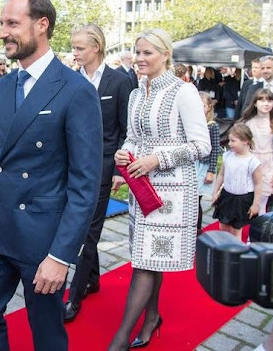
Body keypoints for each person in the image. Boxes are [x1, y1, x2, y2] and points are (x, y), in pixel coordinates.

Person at [0, 0, 103, 350]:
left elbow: (85, 185)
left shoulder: (75, 90)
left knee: (46, 333)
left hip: (43, 238)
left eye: (12, 23)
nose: (3, 32)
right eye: (2, 23)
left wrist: (61, 255)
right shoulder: (4, 85)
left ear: (41, 25)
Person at [109, 28, 211, 350]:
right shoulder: (137, 93)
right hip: (141, 188)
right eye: (137, 52)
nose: (140, 59)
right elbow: (132, 137)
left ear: (165, 54)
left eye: (147, 53)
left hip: (172, 193)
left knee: (143, 263)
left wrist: (158, 158)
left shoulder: (184, 91)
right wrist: (123, 153)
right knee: (148, 258)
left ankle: (120, 339)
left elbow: (202, 145)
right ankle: (151, 317)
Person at [64, 23, 132, 323]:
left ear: (97, 47)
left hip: (104, 168)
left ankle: (74, 296)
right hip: (71, 167)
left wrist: (120, 169)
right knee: (83, 226)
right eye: (74, 47)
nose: (74, 53)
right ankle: (93, 280)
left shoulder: (119, 82)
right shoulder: (69, 80)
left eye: (79, 47)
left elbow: (126, 129)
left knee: (87, 231)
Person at [212, 124, 262, 241]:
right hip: (227, 196)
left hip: (243, 198)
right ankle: (223, 251)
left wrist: (255, 204)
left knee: (236, 229)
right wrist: (215, 192)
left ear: (245, 141)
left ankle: (235, 253)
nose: (230, 144)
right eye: (229, 140)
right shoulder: (227, 156)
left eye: (233, 141)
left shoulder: (252, 161)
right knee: (223, 225)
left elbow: (258, 184)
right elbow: (221, 175)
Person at [241, 89, 273, 214]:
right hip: (251, 163)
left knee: (262, 202)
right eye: (261, 100)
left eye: (269, 100)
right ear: (255, 103)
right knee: (248, 198)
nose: (266, 103)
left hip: (269, 164)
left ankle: (257, 231)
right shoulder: (248, 122)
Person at [196, 92, 221, 235]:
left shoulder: (212, 126)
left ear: (209, 107)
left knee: (196, 199)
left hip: (203, 166)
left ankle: (197, 230)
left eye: (202, 106)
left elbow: (215, 150)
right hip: (192, 165)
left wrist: (211, 171)